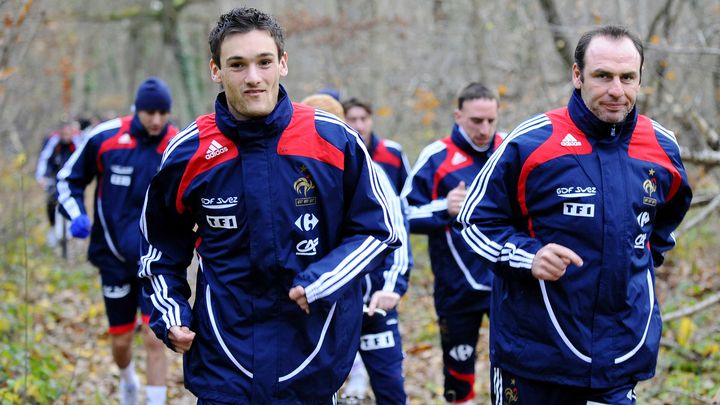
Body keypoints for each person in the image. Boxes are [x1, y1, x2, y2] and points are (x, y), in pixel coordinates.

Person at [137, 7, 400, 404]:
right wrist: (171, 313)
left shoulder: (333, 140)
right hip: (223, 359)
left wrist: (322, 279)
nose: (254, 78)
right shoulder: (189, 151)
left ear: (283, 63)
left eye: (264, 62)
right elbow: (159, 249)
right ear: (215, 70)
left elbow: (379, 230)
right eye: (237, 65)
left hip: (312, 356)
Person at [457, 25, 693, 405]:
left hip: (619, 354)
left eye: (627, 77)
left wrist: (641, 263)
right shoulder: (532, 141)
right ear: (577, 75)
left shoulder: (661, 147)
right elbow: (473, 221)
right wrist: (528, 256)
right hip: (535, 358)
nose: (617, 90)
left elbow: (665, 222)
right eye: (602, 76)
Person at [57, 77, 178, 405]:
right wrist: (77, 215)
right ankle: (127, 381)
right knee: (122, 342)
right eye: (150, 112)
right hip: (112, 257)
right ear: (136, 109)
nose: (156, 120)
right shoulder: (105, 138)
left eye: (163, 113)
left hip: (155, 261)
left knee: (156, 339)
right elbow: (68, 179)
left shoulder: (176, 142)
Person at [302, 94, 413, 403]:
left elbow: (396, 231)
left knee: (391, 389)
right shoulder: (292, 173)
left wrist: (391, 287)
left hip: (373, 303)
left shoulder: (371, 172)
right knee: (316, 390)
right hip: (319, 304)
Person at [402, 82, 504, 404]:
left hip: (507, 283)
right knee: (459, 376)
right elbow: (402, 215)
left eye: (490, 120)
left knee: (514, 370)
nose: (484, 129)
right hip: (457, 289)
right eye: (476, 121)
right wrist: (443, 207)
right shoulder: (436, 155)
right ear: (458, 115)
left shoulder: (509, 149)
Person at [343, 98, 410, 194]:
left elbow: (407, 192)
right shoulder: (340, 154)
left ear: (371, 119)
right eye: (353, 120)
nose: (359, 126)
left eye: (363, 118)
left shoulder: (393, 152)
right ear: (343, 121)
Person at [35, 119, 83, 247]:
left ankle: (74, 232)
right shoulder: (53, 141)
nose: (66, 136)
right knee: (51, 202)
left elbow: (82, 159)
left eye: (68, 133)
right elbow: (44, 159)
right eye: (64, 133)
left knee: (75, 201)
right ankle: (53, 228)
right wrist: (41, 177)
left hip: (71, 178)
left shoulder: (78, 141)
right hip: (54, 176)